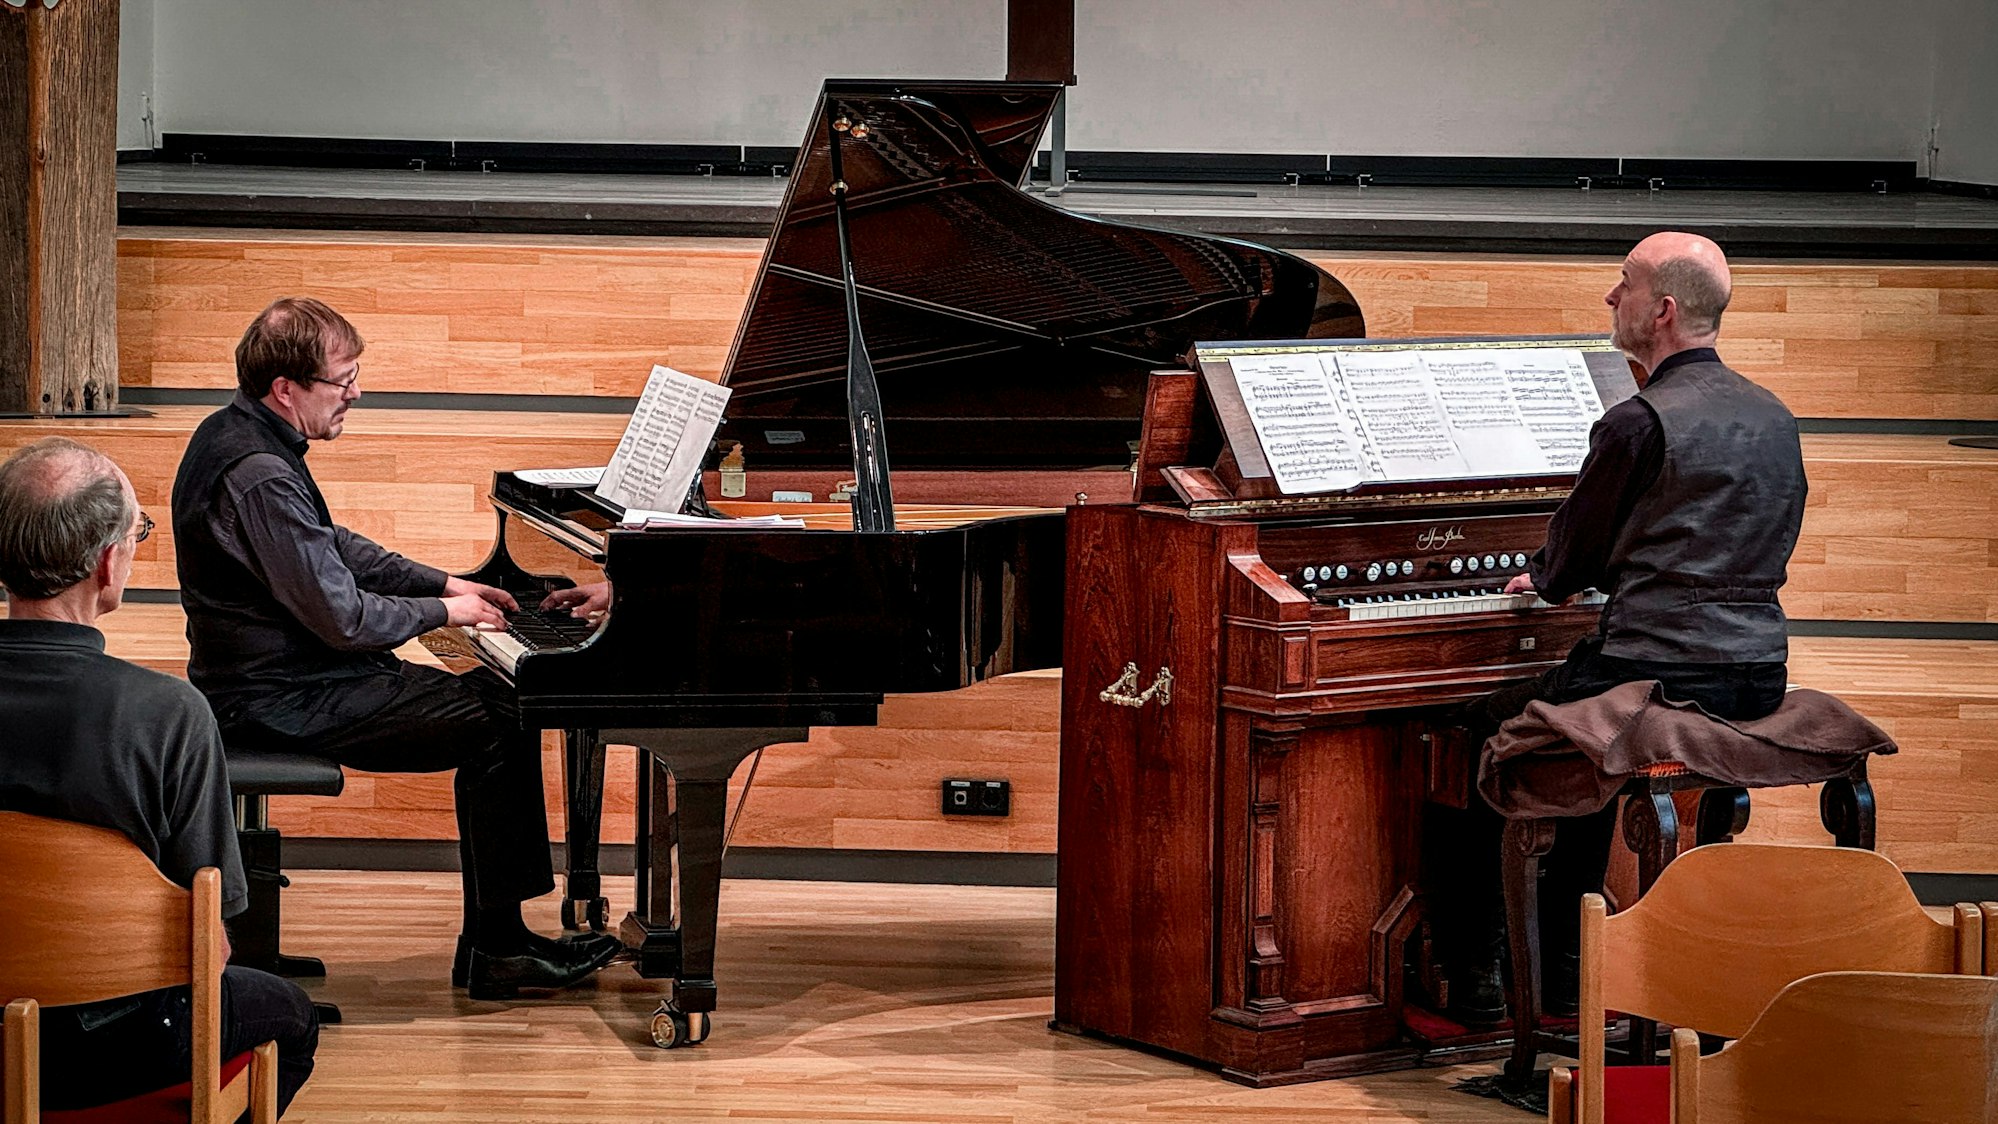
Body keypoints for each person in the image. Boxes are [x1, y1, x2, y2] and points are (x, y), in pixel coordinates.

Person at [170, 297, 618, 1000]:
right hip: (280, 699)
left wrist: (445, 580)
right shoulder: (257, 474)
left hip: (284, 682)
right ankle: (498, 949)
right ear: (285, 389)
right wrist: (446, 610)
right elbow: (343, 618)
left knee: (500, 702)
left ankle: (498, 943)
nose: (355, 392)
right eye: (341, 380)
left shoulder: (234, 435)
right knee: (504, 714)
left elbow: (333, 548)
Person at [1440, 231, 1808, 1023]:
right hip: (1755, 672)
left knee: (1478, 731)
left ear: (1664, 310)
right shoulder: (1774, 415)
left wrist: (1537, 577)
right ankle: (1571, 966)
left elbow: (1569, 565)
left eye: (1625, 283)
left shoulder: (1637, 423)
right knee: (1583, 732)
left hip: (1655, 674)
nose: (1613, 297)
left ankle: (1478, 972)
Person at [0, 437, 319, 1114]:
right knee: (291, 1017)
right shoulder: (168, 715)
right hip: (116, 1044)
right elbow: (214, 937)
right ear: (109, 563)